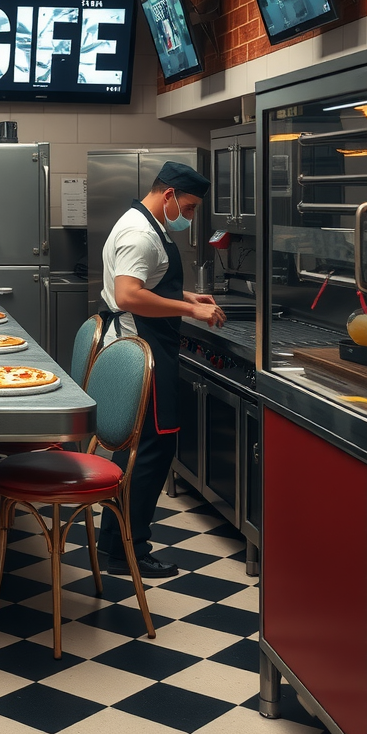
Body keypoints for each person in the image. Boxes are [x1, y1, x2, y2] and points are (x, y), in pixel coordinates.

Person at [96, 161, 226, 578]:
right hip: (145, 353)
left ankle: (114, 546)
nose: (188, 216)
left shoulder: (141, 221)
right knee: (152, 451)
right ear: (167, 194)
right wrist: (190, 308)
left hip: (142, 346)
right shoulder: (140, 234)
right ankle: (129, 551)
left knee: (132, 452)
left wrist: (187, 294)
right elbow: (129, 294)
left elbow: (149, 283)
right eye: (187, 208)